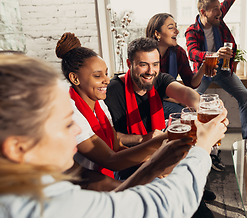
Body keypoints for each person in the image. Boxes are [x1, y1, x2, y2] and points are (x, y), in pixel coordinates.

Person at [0, 52, 229, 218]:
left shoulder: (20, 190)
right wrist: (202, 146)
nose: (75, 132)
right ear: (18, 148)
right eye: (65, 124)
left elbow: (110, 205)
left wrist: (157, 157)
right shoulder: (42, 209)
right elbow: (161, 207)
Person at [56, 32, 169, 190]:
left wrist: (151, 163)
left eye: (106, 73)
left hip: (98, 179)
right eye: (97, 75)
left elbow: (117, 146)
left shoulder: (99, 102)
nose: (107, 80)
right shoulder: (70, 113)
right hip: (76, 190)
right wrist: (160, 142)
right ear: (75, 79)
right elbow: (110, 160)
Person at [145, 13, 220, 218]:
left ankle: (197, 185)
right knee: (185, 129)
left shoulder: (178, 52)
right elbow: (149, 90)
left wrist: (204, 67)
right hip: (152, 106)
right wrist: (178, 100)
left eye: (176, 26)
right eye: (171, 27)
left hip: (172, 101)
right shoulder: (145, 54)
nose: (177, 30)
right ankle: (194, 201)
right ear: (157, 33)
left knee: (196, 128)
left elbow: (191, 83)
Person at [185, 0, 247, 141]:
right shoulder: (192, 31)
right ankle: (193, 141)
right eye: (215, 9)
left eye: (219, 8)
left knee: (245, 96)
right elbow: (192, 53)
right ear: (203, 12)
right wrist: (213, 55)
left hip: (223, 71)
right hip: (203, 72)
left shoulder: (218, 18)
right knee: (190, 104)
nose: (220, 11)